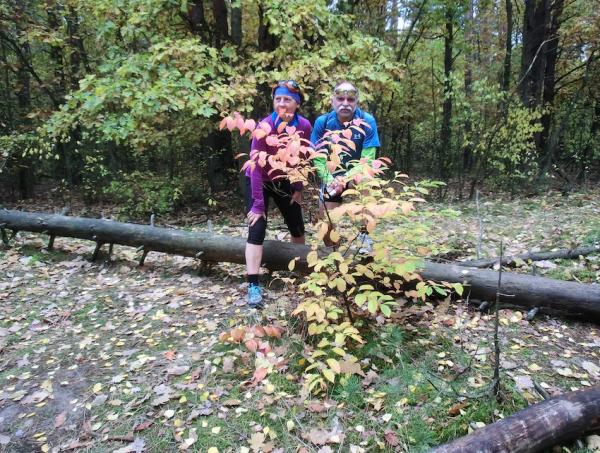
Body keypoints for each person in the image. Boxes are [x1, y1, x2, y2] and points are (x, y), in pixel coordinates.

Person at [244, 80, 312, 308]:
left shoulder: (304, 125)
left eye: (287, 99)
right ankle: (253, 284)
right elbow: (255, 165)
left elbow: (302, 158)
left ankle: (299, 272)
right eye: (278, 99)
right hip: (259, 180)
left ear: (297, 104)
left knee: (297, 225)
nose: (282, 103)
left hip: (285, 180)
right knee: (257, 228)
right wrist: (257, 205)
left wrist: (298, 188)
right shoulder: (264, 126)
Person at [310, 81, 381, 248]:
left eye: (350, 99)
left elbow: (368, 159)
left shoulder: (367, 120)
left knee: (366, 183)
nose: (345, 103)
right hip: (331, 176)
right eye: (340, 99)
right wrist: (330, 179)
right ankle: (332, 249)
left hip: (357, 174)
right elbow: (318, 158)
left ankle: (364, 238)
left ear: (357, 101)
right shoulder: (323, 122)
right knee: (326, 216)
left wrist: (345, 179)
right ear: (332, 100)